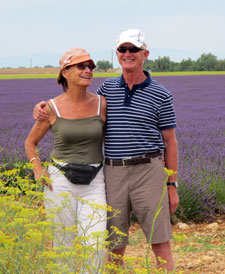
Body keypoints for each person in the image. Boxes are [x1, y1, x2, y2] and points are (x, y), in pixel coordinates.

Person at [33, 29, 179, 272]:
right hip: (113, 172)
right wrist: (41, 110)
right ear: (117, 54)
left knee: (160, 240)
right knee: (113, 242)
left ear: (145, 54)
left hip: (149, 171)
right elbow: (78, 104)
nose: (128, 54)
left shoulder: (161, 94)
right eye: (123, 49)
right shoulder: (106, 91)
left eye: (134, 49)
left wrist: (172, 185)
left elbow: (170, 142)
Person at [25, 47, 107, 272]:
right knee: (63, 246)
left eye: (90, 66)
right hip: (59, 181)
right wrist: (38, 169)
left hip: (94, 181)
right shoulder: (51, 108)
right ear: (65, 72)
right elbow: (30, 143)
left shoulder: (102, 103)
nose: (88, 70)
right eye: (81, 66)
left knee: (96, 244)